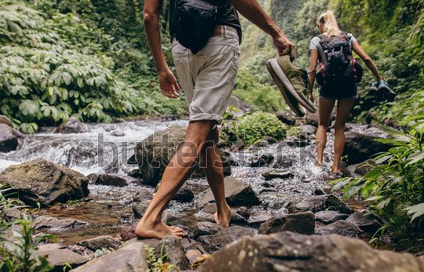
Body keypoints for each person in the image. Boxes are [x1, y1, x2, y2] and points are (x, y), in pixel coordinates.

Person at [135, 0, 295, 239]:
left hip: (182, 46)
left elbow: (150, 16)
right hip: (218, 39)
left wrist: (161, 67)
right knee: (198, 135)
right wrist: (276, 32)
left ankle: (222, 208)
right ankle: (151, 219)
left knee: (208, 135)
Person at [308, 11, 387, 175]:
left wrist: (309, 92)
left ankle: (319, 162)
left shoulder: (316, 40)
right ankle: (336, 167)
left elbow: (312, 69)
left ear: (321, 24)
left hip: (328, 86)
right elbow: (366, 58)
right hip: (349, 86)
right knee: (340, 126)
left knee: (322, 124)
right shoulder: (348, 37)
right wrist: (379, 79)